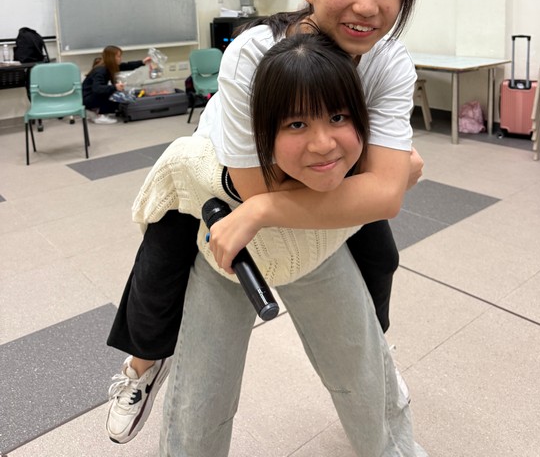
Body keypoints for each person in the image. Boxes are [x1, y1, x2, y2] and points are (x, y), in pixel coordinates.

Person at [105, 0, 423, 443]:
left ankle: (379, 357)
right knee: (163, 280)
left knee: (379, 264)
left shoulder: (388, 61)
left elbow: (385, 196)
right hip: (219, 191)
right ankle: (144, 363)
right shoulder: (257, 52)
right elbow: (254, 186)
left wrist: (272, 208)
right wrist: (368, 181)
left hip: (291, 204)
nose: (368, 4)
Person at [127, 32, 425, 456]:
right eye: (297, 124)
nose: (322, 142)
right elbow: (168, 191)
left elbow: (384, 190)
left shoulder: (383, 68)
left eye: (339, 117)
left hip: (319, 247)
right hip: (226, 251)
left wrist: (382, 184)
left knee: (365, 362)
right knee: (199, 395)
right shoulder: (214, 146)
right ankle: (144, 365)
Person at [82, 45, 151, 124]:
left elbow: (127, 65)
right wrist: (115, 87)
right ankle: (97, 114)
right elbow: (97, 89)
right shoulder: (100, 70)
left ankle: (95, 110)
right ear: (111, 58)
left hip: (90, 96)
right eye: (118, 56)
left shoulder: (108, 66)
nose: (120, 58)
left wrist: (142, 62)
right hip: (87, 99)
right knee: (115, 95)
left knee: (117, 96)